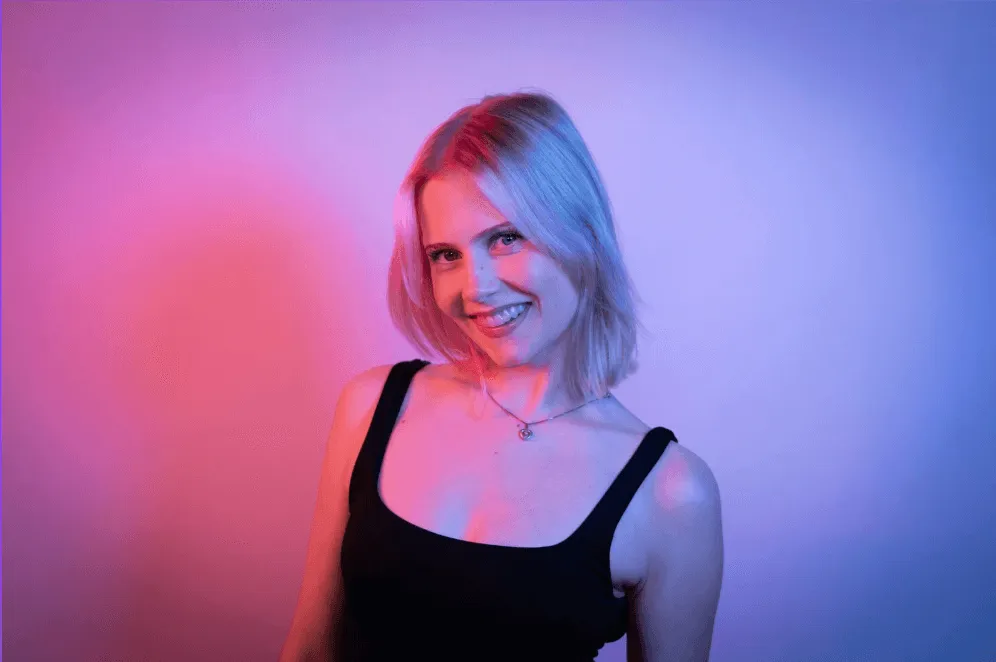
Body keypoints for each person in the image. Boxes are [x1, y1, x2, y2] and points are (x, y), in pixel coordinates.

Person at [279, 90, 724, 662]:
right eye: (446, 255)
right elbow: (311, 649)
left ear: (580, 237)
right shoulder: (370, 408)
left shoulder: (670, 492)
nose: (475, 289)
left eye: (506, 238)